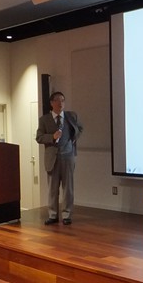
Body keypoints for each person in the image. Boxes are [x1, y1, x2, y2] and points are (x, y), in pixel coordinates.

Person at [36, 91, 84, 225]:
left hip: (68, 156)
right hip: (52, 158)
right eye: (57, 100)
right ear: (52, 103)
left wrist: (74, 139)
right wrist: (52, 137)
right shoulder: (44, 120)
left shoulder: (71, 116)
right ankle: (53, 215)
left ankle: (67, 215)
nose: (60, 103)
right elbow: (39, 137)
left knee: (68, 187)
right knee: (52, 188)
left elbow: (80, 128)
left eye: (62, 100)